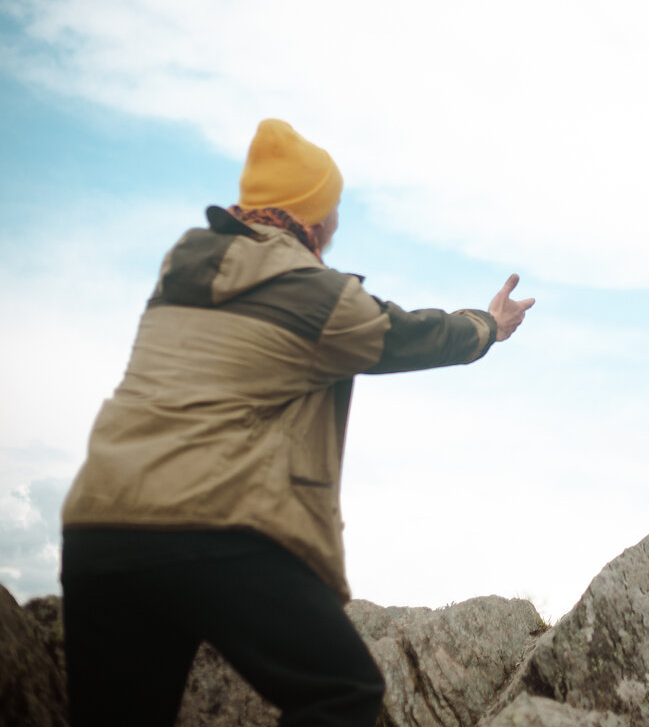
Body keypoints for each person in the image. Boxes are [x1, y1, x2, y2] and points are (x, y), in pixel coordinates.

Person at [59, 118, 534, 726]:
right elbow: (410, 336)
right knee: (342, 694)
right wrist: (488, 326)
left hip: (101, 525)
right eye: (332, 204)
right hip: (211, 525)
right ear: (316, 215)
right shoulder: (311, 295)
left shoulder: (184, 270)